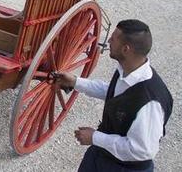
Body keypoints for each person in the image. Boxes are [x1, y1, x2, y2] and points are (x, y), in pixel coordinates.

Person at [55, 20, 173, 172]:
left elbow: (142, 150)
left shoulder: (150, 102)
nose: (109, 40)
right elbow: (113, 92)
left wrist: (95, 138)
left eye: (114, 38)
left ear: (126, 49)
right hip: (102, 155)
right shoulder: (128, 70)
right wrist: (75, 82)